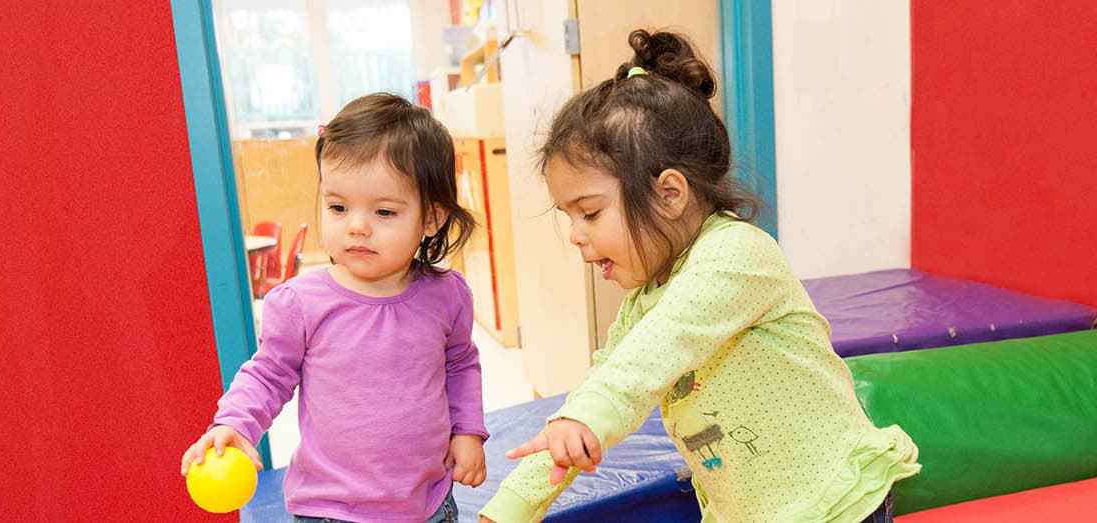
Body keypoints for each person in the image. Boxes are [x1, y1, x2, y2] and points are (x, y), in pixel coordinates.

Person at [478, 30, 920, 523]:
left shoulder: (737, 254)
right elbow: (603, 386)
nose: (576, 236)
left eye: (590, 213)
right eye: (568, 217)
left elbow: (652, 356)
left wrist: (586, 416)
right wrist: (509, 509)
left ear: (670, 193)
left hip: (832, 503)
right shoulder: (644, 301)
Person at [180, 93, 487, 523]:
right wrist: (235, 423)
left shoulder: (447, 295)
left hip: (428, 502)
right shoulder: (300, 304)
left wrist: (468, 430)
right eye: (338, 207)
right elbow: (268, 375)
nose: (356, 226)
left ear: (431, 219)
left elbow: (460, 365)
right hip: (331, 510)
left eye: (383, 211)